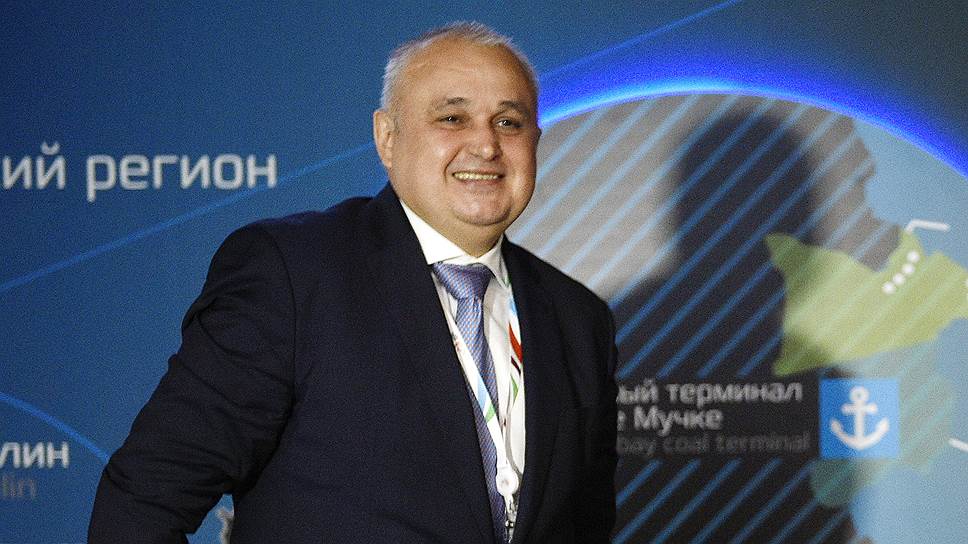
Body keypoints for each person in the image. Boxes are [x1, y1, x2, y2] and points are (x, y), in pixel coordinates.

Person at [89, 22, 617, 543]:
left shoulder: (577, 317)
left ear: (535, 142)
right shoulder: (293, 275)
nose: (485, 144)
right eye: (452, 118)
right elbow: (141, 505)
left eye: (509, 122)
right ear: (387, 138)